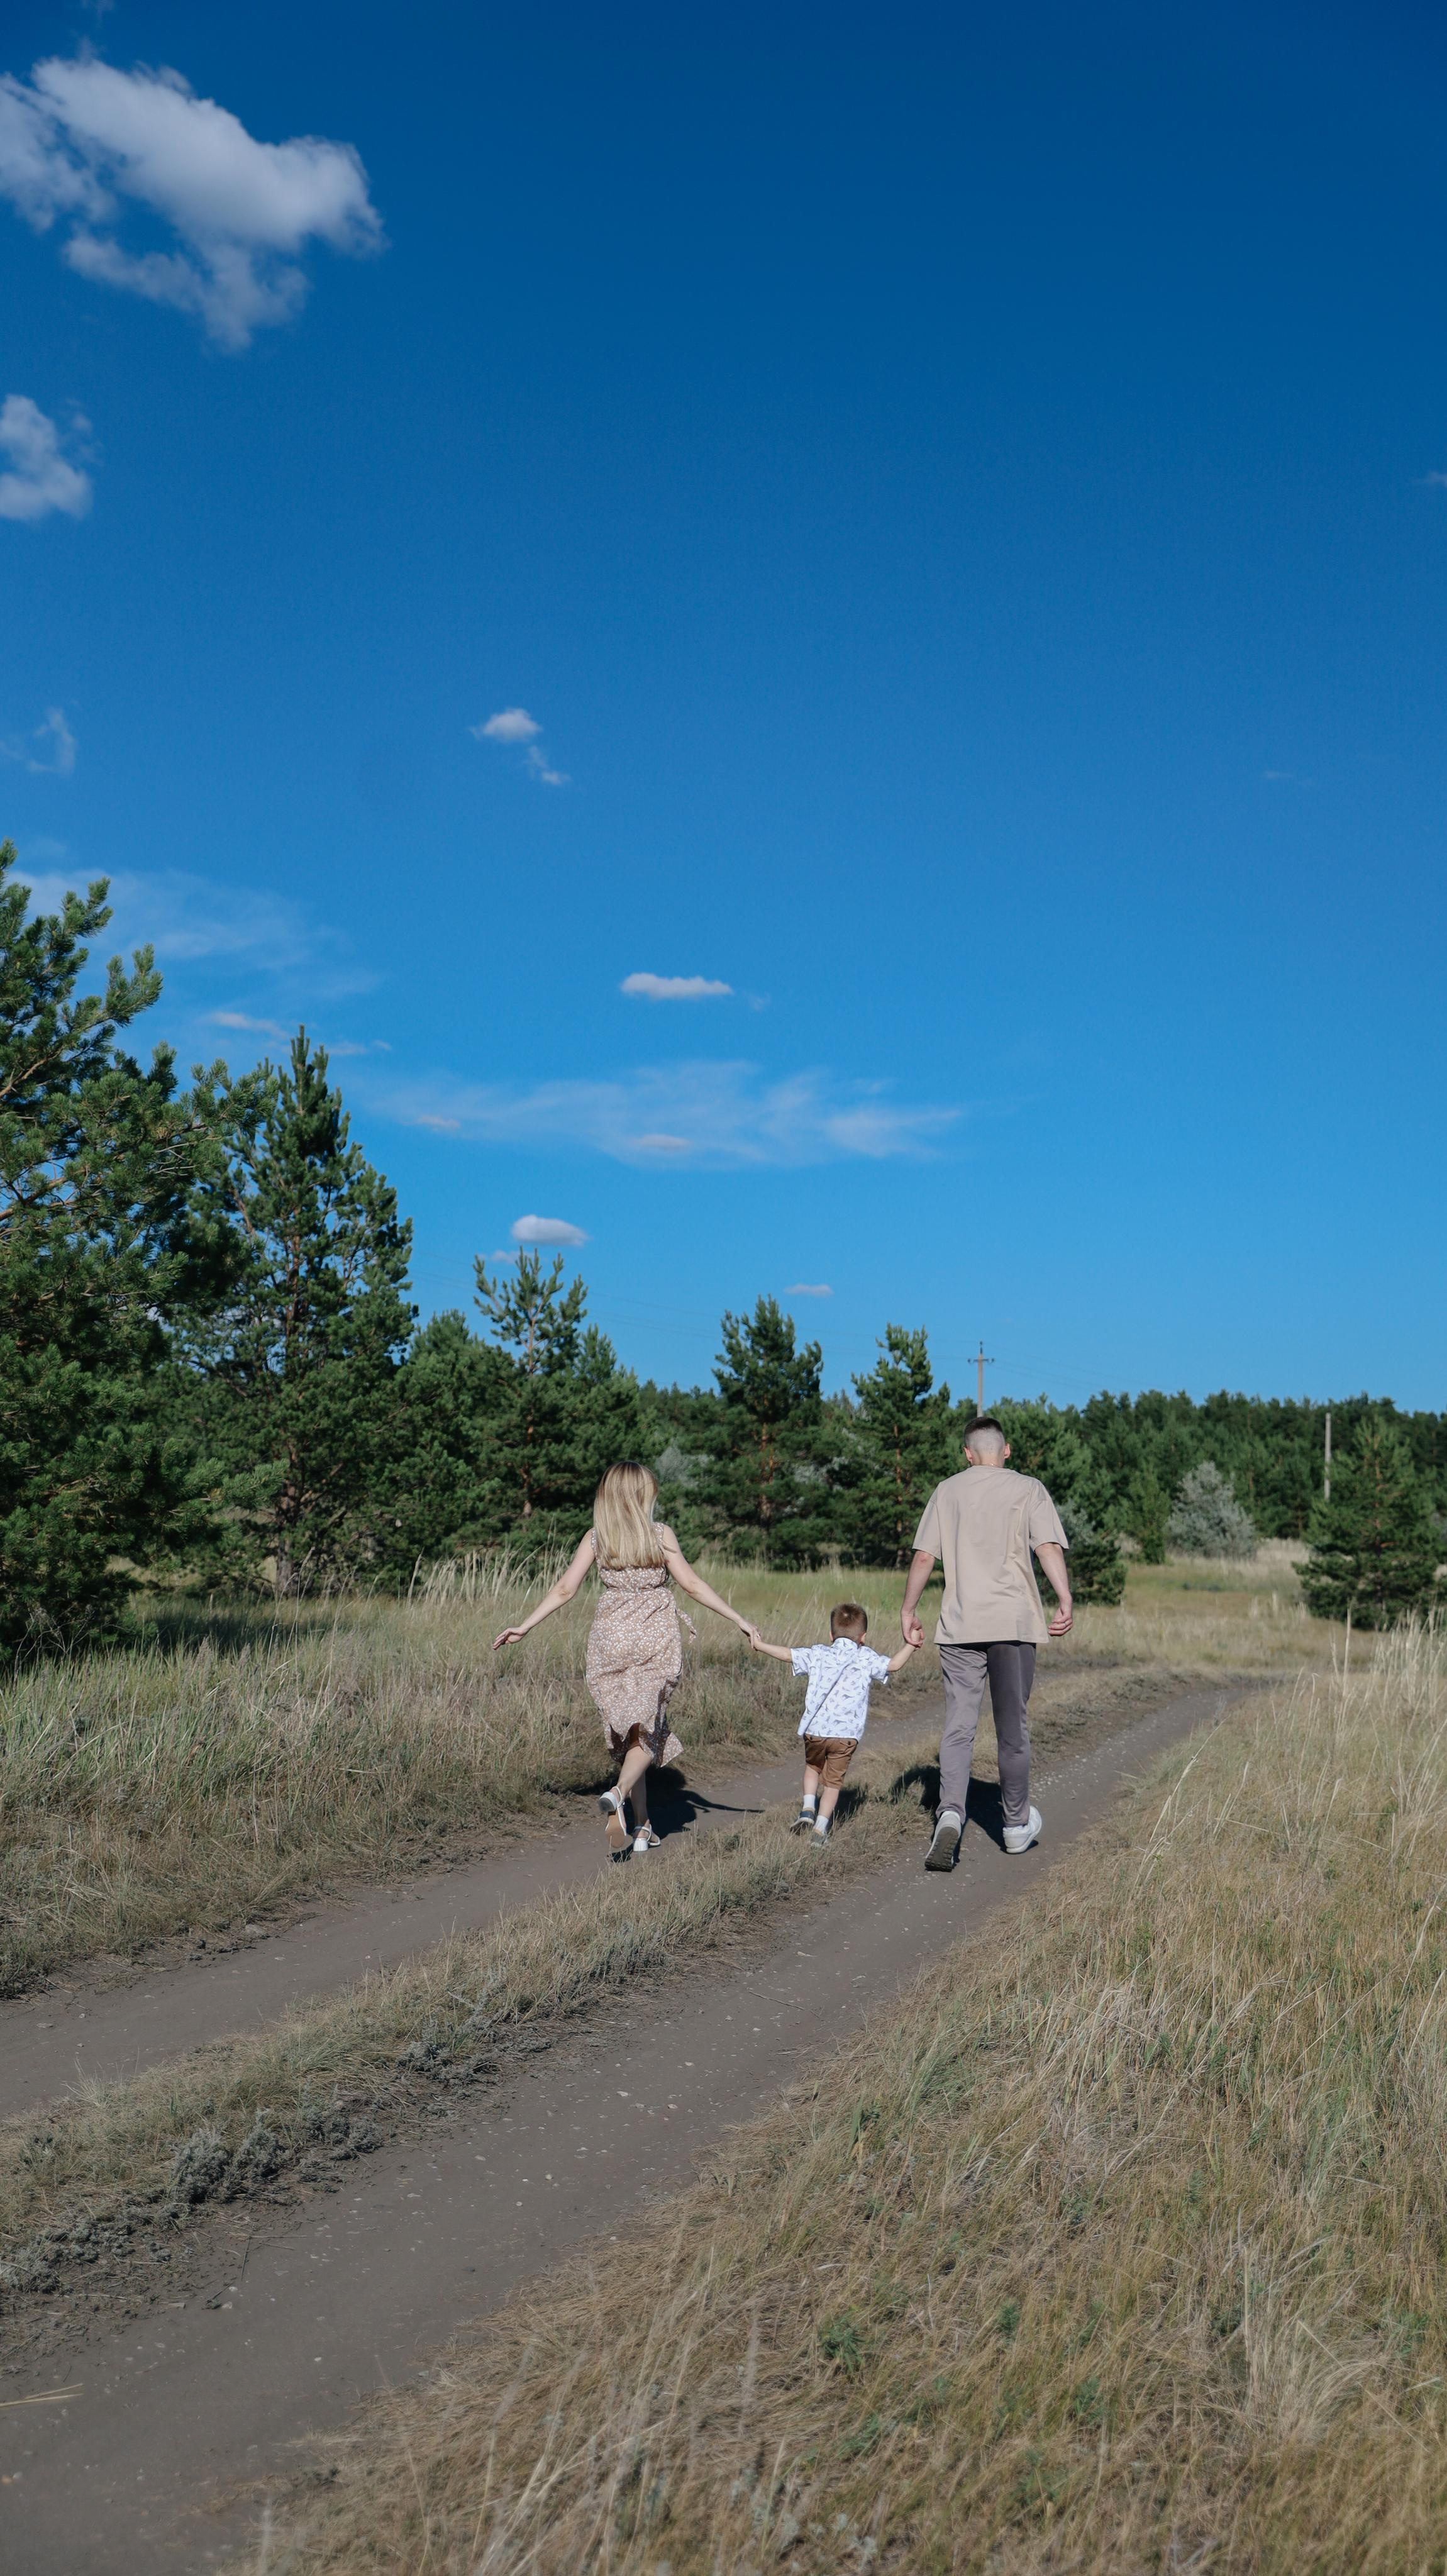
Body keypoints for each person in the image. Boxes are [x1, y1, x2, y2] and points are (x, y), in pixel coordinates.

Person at [493, 1462, 758, 1860]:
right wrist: (738, 1618)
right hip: (654, 1639)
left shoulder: (597, 1538)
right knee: (648, 1735)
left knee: (634, 1735)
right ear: (641, 1495)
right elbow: (693, 1585)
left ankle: (643, 1825)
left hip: (610, 1641)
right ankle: (617, 1795)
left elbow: (565, 1589)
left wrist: (525, 1626)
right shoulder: (660, 1536)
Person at [901, 1418, 1073, 1874]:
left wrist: (908, 1609)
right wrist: (1063, 1597)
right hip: (1013, 1623)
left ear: (968, 1454)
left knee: (958, 1726)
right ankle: (1015, 1827)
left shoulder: (947, 1490)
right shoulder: (1029, 1489)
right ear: (1007, 1451)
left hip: (959, 1625)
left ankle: (950, 1815)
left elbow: (923, 1556)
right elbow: (1048, 1547)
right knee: (1011, 1728)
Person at [750, 1599, 916, 1845]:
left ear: (831, 1634)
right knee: (833, 1783)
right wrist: (911, 1644)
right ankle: (820, 1830)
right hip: (845, 1735)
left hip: (815, 1731)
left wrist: (760, 1644)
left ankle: (807, 1808)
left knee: (813, 1768)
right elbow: (893, 1665)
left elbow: (787, 1654)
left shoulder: (818, 1653)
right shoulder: (866, 1657)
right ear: (864, 1637)